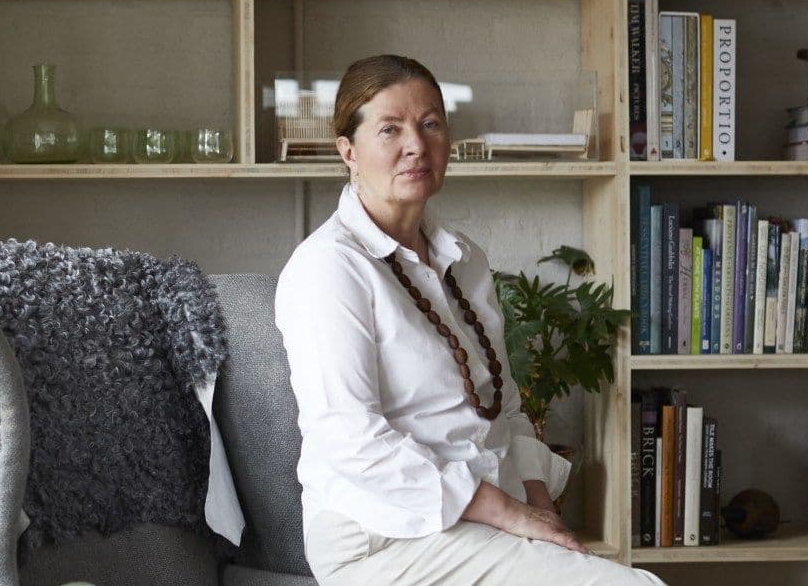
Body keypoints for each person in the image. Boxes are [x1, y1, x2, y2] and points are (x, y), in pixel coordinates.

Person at [274, 54, 666, 585]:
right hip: (384, 539)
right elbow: (349, 437)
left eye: (430, 123)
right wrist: (507, 514)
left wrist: (540, 513)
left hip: (481, 523)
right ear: (348, 151)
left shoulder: (467, 259)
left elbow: (504, 408)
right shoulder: (328, 268)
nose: (416, 144)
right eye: (390, 128)